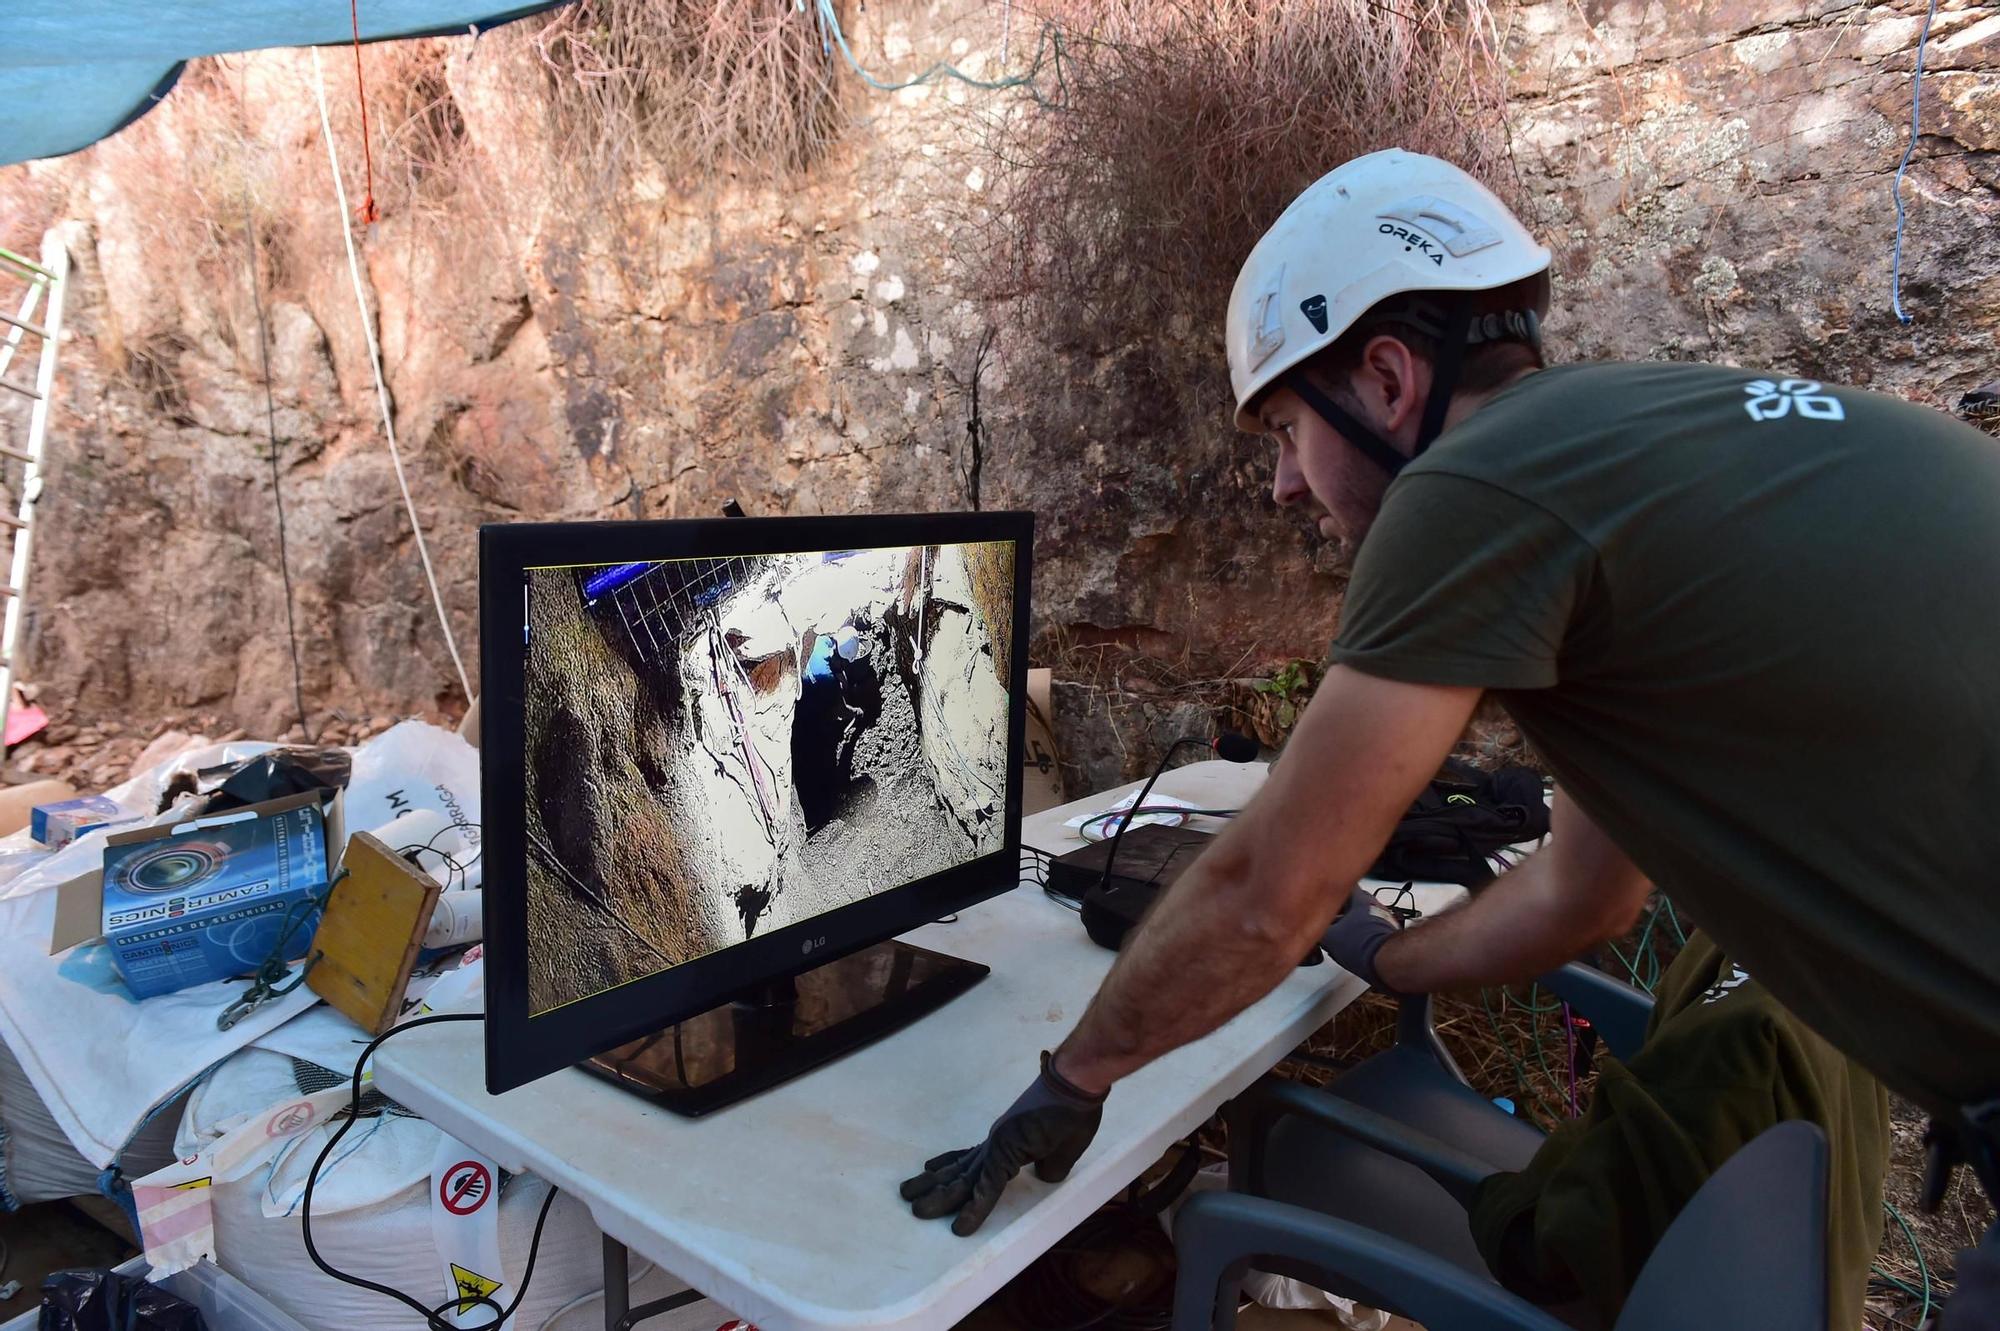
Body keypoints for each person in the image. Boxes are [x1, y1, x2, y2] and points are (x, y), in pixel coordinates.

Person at [901, 148, 2000, 1321]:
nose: (1281, 485)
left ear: (1385, 378)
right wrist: (1386, 960)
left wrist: (1070, 1080)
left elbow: (1265, 896)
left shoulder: (1478, 481)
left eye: (1284, 430)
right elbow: (1584, 893)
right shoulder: (1648, 450)